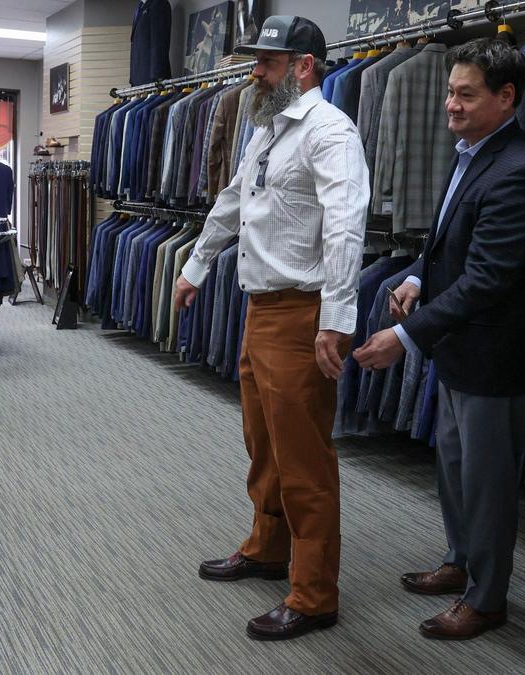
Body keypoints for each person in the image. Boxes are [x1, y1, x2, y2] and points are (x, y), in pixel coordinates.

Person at [172, 15, 369, 642]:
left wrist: (336, 321)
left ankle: (314, 594)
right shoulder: (268, 128)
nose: (255, 72)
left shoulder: (331, 134)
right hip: (259, 308)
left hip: (302, 313)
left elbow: (346, 229)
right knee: (262, 441)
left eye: (267, 62)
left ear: (304, 66)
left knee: (304, 456)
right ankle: (266, 546)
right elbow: (235, 197)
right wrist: (197, 263)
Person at [354, 37, 525, 640]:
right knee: (455, 469)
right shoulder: (470, 154)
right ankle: (461, 562)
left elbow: (488, 279)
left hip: (496, 358)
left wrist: (405, 337)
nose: (451, 105)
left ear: (506, 97)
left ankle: (487, 599)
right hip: (461, 352)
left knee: (487, 486)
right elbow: (450, 246)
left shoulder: (519, 174)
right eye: (450, 92)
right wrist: (417, 276)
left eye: (466, 95)